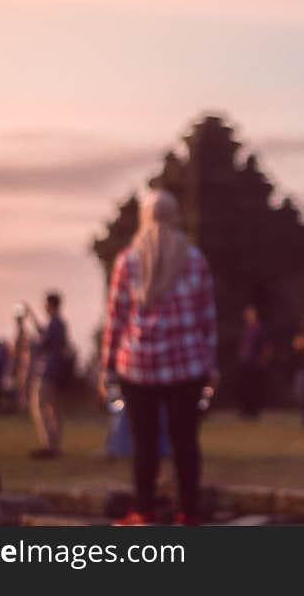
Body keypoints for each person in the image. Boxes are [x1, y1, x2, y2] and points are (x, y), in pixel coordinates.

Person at [102, 190, 218, 526]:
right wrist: (211, 364)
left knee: (144, 441)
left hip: (138, 365)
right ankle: (189, 511)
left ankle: (144, 509)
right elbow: (205, 316)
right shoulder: (193, 258)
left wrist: (107, 364)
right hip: (187, 365)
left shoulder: (128, 260)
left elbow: (117, 317)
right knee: (185, 441)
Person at [24, 291, 69, 459]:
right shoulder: (59, 324)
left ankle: (49, 444)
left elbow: (43, 342)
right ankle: (54, 444)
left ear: (50, 304)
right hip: (56, 373)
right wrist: (33, 318)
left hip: (48, 372)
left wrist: (31, 343)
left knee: (41, 406)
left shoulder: (55, 324)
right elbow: (46, 334)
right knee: (54, 408)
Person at [235, 304, 272, 419]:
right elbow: (242, 345)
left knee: (254, 388)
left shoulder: (259, 330)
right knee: (244, 387)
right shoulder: (245, 330)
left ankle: (254, 411)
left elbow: (267, 347)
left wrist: (262, 360)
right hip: (245, 364)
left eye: (251, 314)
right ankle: (245, 410)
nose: (248, 316)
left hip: (255, 364)